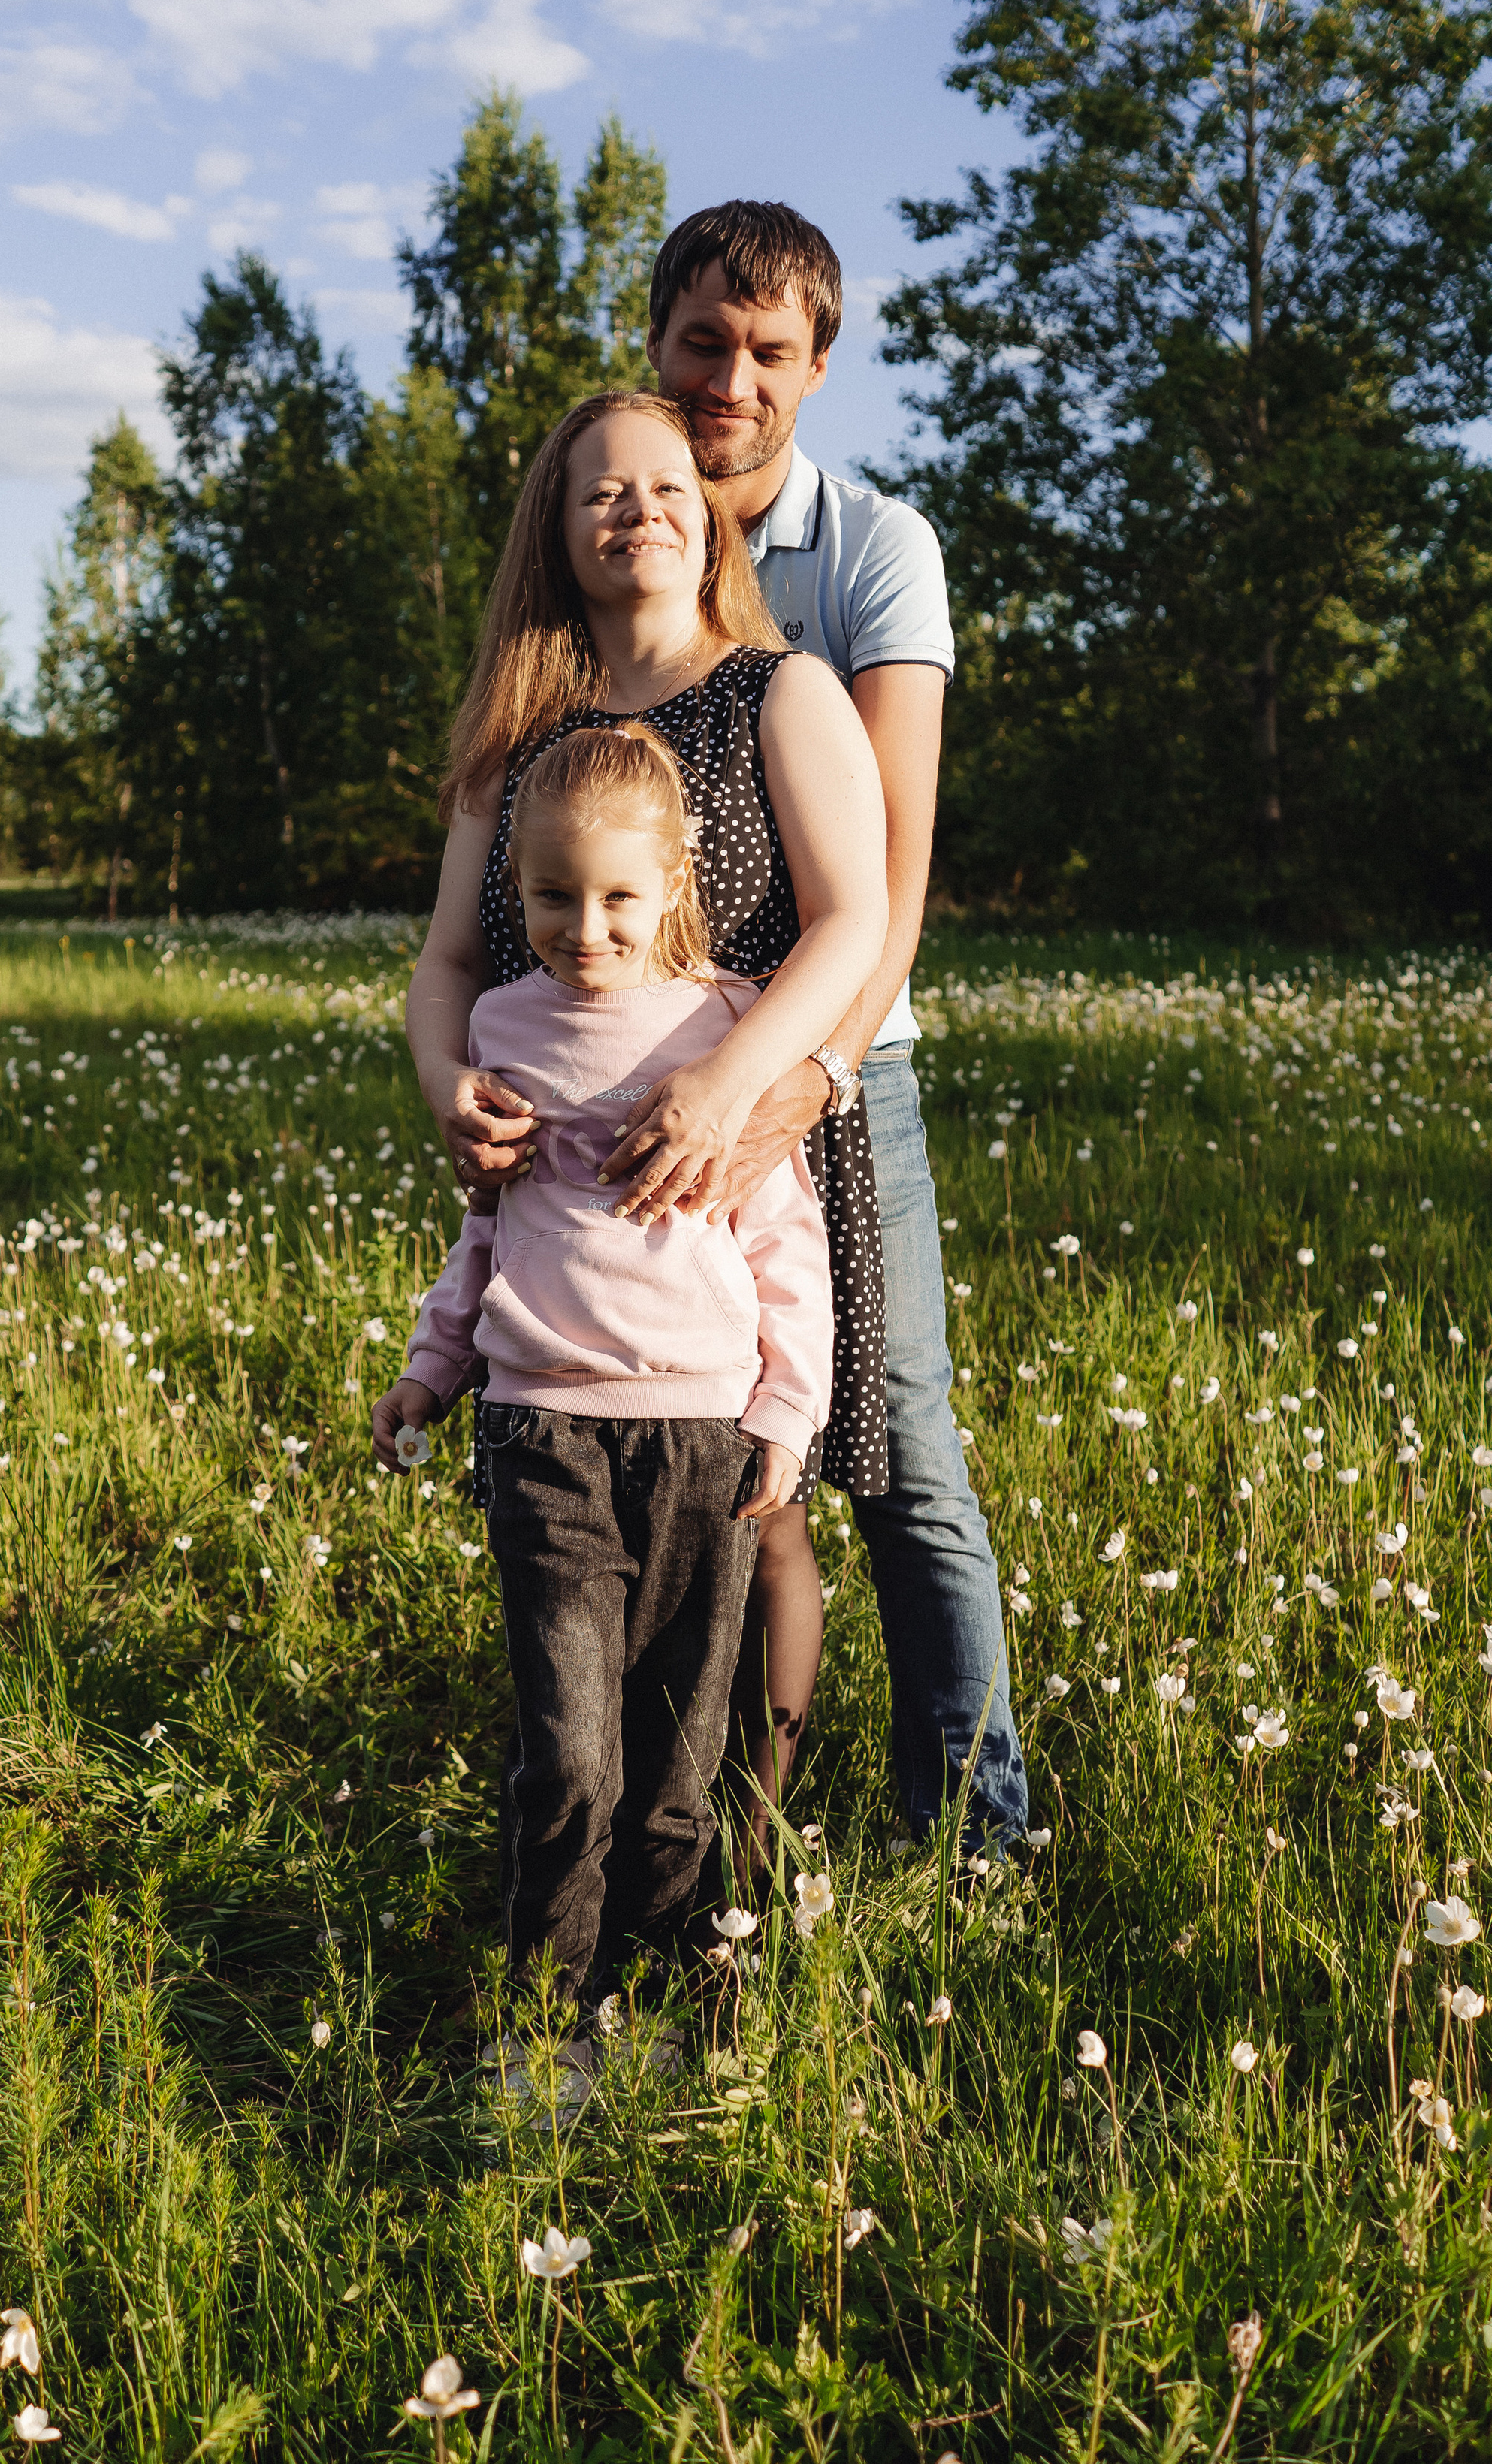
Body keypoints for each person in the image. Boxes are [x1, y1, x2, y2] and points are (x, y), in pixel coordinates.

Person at [406, 385, 892, 1854]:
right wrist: (446, 1092)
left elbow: (853, 919)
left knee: (756, 1501)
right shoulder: (517, 730)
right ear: (555, 531)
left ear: (710, 513)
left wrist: (731, 1086)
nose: (637, 508)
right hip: (555, 1178)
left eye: (666, 483)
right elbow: (442, 964)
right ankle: (589, 1846)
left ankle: (731, 1857)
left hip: (744, 1146)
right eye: (598, 489)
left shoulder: (777, 690)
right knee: (578, 1526)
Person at [639, 199, 1029, 1850]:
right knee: (672, 1452)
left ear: (816, 365)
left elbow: (889, 870)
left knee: (897, 1455)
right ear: (652, 340)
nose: (730, 378)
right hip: (646, 1068)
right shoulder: (614, 522)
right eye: (702, 342)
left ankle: (980, 1824)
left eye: (767, 351)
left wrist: (798, 1077)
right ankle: (681, 1807)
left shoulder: (871, 548)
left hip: (835, 1063)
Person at [374, 723, 834, 2009]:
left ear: (676, 881)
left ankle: (673, 1993)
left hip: (706, 1437)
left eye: (620, 896)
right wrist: (436, 1363)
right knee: (571, 1755)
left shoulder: (725, 1026)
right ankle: (550, 2015)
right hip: (542, 1437)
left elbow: (784, 1238)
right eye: (555, 897)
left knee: (680, 1756)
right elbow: (488, 1224)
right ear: (513, 890)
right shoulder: (499, 1027)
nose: (588, 926)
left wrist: (787, 1410)